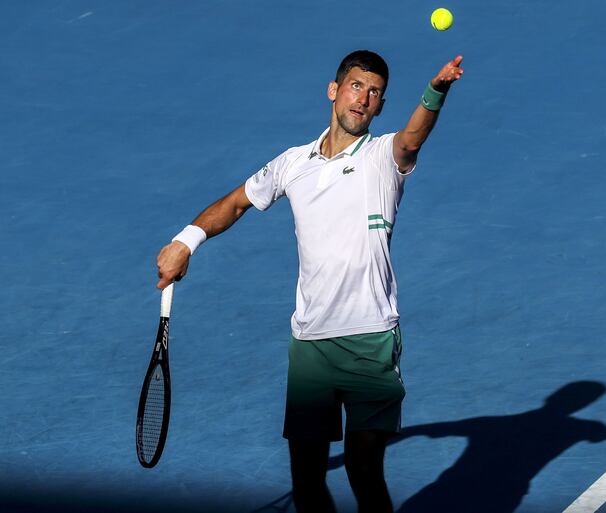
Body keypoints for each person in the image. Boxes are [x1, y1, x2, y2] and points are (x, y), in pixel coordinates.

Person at [155, 50, 464, 513]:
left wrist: (435, 90)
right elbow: (236, 203)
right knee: (307, 481)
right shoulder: (292, 163)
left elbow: (413, 138)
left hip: (370, 341)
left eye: (375, 93)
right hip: (310, 346)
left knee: (363, 469)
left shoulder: (383, 157)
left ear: (381, 106)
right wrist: (186, 241)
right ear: (334, 90)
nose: (364, 99)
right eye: (356, 86)